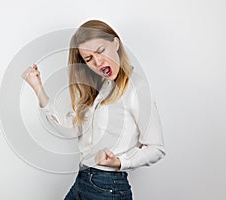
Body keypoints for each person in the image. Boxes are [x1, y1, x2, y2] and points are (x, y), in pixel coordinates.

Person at [22, 19, 166, 200]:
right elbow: (71, 129)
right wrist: (38, 88)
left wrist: (120, 162)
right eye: (88, 59)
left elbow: (156, 148)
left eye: (101, 50)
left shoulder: (137, 87)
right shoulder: (102, 89)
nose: (97, 62)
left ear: (115, 43)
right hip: (82, 180)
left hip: (108, 186)